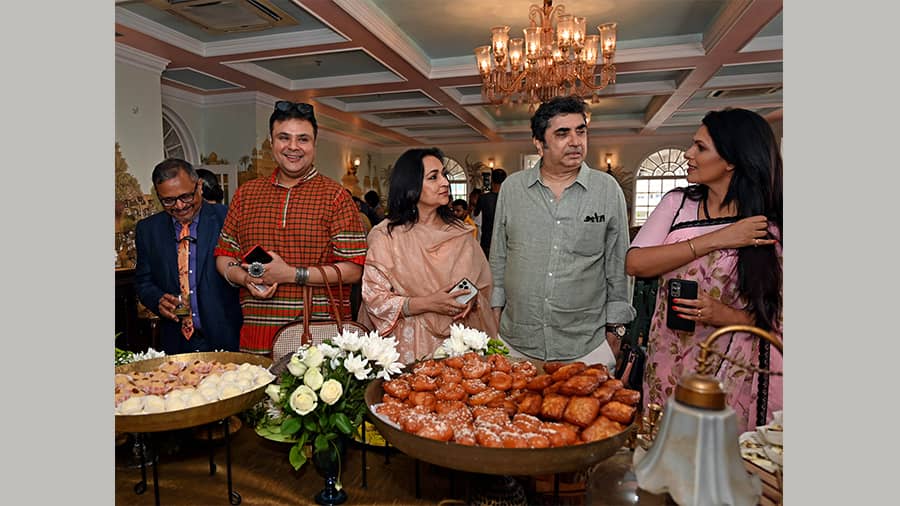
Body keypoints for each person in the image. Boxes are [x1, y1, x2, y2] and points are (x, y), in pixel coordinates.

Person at [626, 107, 783, 432]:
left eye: (701, 147)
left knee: (717, 461)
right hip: (669, 352)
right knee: (667, 449)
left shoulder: (770, 222)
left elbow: (780, 313)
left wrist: (724, 315)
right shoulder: (678, 204)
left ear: (731, 160)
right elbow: (636, 263)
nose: (688, 154)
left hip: (733, 362)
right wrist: (720, 238)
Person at [489, 95, 635, 371]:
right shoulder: (513, 188)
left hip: (585, 347)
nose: (576, 141)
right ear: (539, 142)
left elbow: (618, 264)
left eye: (581, 131)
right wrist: (495, 311)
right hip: (515, 343)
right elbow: (499, 255)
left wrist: (616, 331)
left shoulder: (606, 190)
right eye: (562, 133)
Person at [214, 101, 368, 355]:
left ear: (314, 145)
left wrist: (291, 274)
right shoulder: (246, 194)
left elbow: (353, 270)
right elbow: (224, 255)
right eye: (284, 137)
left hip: (318, 336)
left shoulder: (335, 196)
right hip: (256, 333)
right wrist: (244, 278)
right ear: (272, 142)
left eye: (303, 139)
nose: (293, 147)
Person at [360, 148, 498, 364]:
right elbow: (375, 298)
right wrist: (426, 303)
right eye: (433, 177)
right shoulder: (387, 236)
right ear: (411, 185)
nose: (444, 183)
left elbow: (481, 285)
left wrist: (471, 298)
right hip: (406, 345)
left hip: (457, 342)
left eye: (444, 175)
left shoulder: (459, 232)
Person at [134, 158, 242, 354]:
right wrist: (157, 299)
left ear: (199, 187)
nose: (179, 206)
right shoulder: (147, 230)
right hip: (177, 342)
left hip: (227, 336)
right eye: (168, 200)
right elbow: (143, 282)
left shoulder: (227, 218)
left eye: (186, 196)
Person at [473, 168, 505, 257]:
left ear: (491, 180)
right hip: (504, 241)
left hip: (487, 240)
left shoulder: (483, 198)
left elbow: (475, 215)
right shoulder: (509, 198)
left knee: (487, 269)